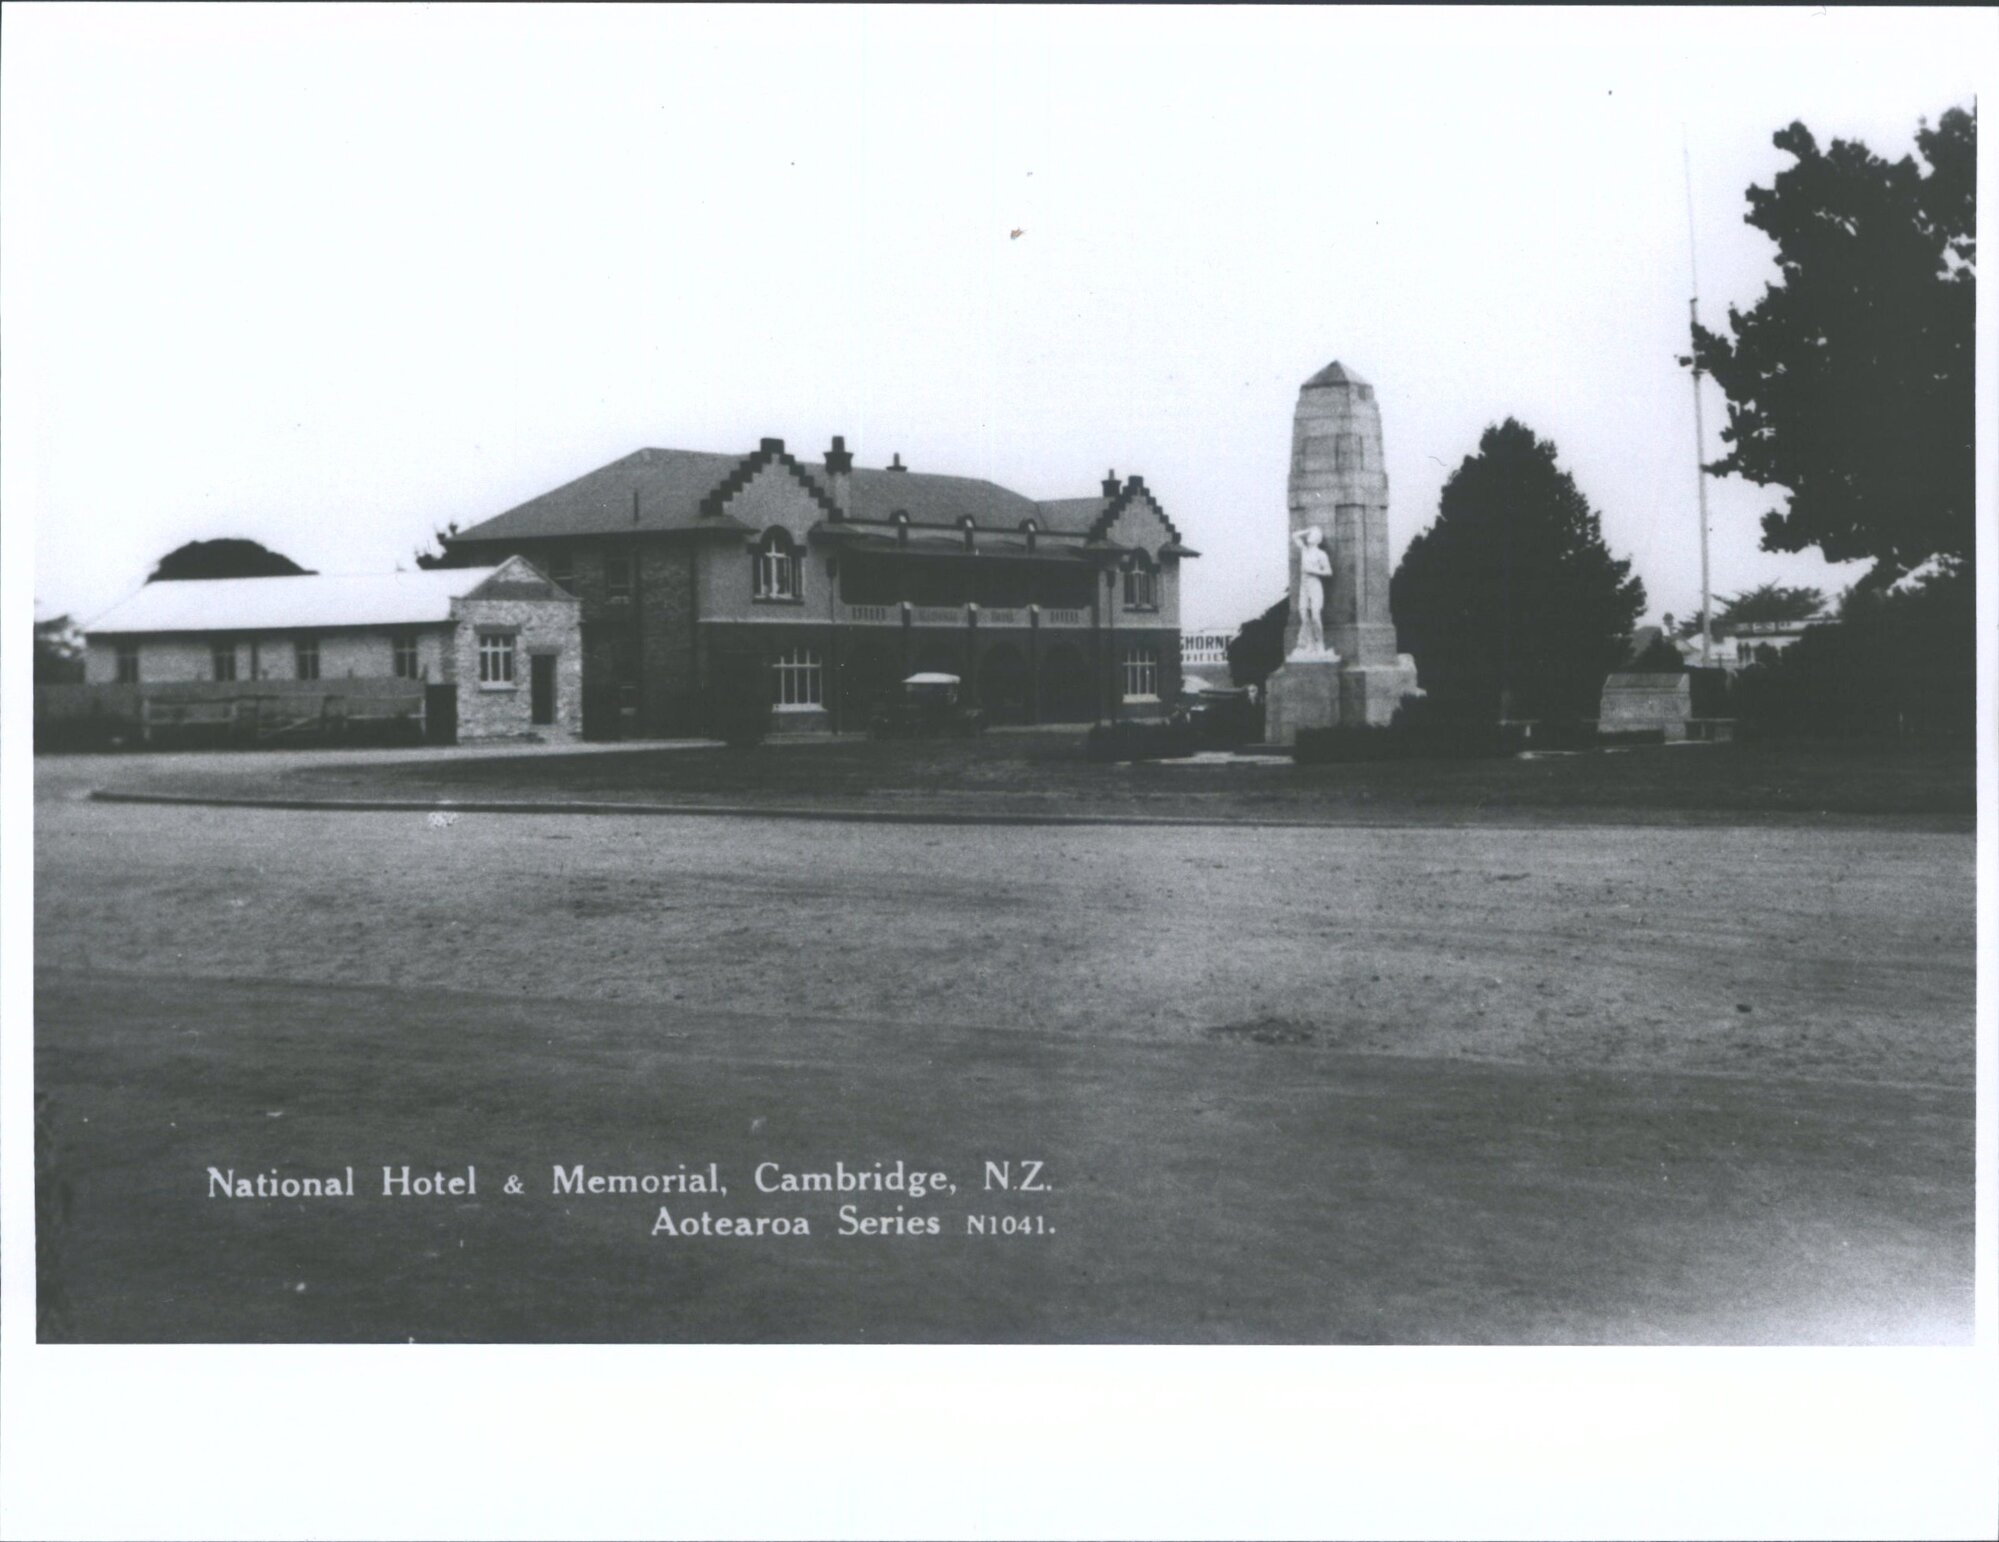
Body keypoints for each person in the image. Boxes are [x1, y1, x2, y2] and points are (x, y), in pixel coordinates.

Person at [1292, 526, 1333, 655]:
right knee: (1304, 615)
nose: (1309, 536)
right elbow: (1295, 536)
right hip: (1304, 586)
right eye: (1309, 535)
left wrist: (1312, 570)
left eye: (1312, 535)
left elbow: (1328, 572)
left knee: (1315, 615)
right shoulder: (1304, 550)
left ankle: (1320, 643)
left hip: (1315, 584)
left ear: (1317, 539)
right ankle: (1310, 644)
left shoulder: (1321, 554)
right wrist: (1309, 530)